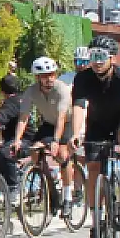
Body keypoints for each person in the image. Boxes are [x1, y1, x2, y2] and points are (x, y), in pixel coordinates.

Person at [68, 35, 120, 238]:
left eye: (101, 57)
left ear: (112, 58)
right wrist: (76, 133)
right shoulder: (82, 78)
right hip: (97, 124)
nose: (97, 62)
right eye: (93, 56)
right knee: (93, 167)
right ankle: (96, 221)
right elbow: (79, 107)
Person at [10, 56, 75, 210]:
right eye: (45, 76)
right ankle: (49, 180)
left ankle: (67, 197)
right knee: (35, 151)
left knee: (61, 155)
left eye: (52, 74)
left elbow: (61, 118)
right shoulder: (31, 91)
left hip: (66, 123)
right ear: (37, 77)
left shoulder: (62, 90)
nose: (49, 79)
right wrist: (17, 139)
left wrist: (55, 141)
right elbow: (23, 117)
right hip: (48, 123)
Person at [0, 74, 26, 191]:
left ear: (2, 90)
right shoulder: (22, 98)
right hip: (26, 137)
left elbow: (0, 118)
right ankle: (5, 184)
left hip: (22, 140)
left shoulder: (12, 102)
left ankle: (12, 186)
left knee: (5, 153)